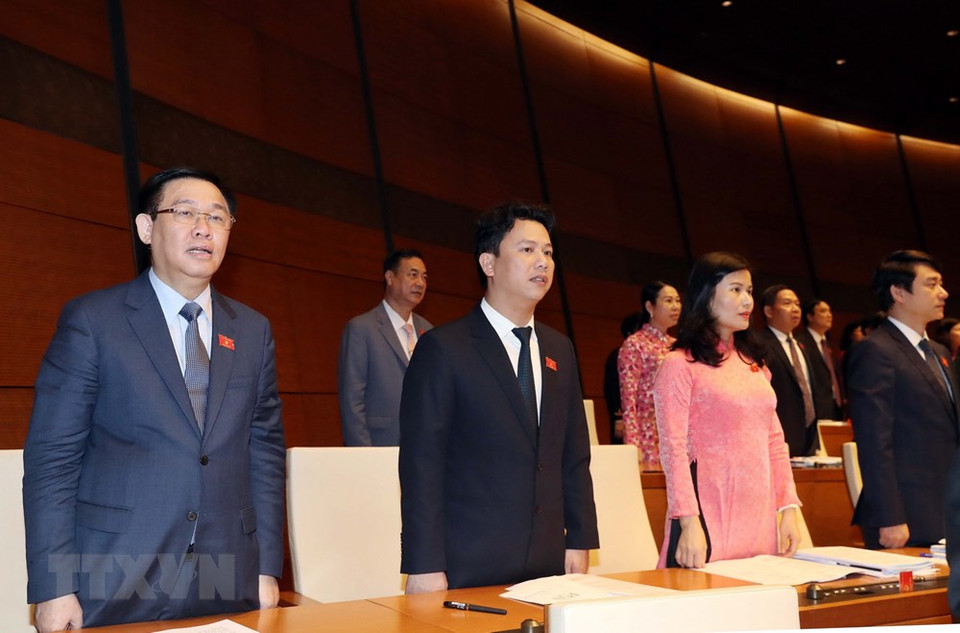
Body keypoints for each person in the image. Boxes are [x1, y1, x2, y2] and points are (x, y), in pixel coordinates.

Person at [23, 167, 286, 630]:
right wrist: (54, 587)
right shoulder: (93, 320)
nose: (204, 227)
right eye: (185, 212)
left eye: (218, 218)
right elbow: (53, 461)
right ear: (147, 228)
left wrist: (266, 567)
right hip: (116, 572)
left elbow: (263, 454)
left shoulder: (253, 330)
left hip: (226, 571)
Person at [399, 202, 599, 592]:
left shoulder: (560, 349)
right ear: (489, 263)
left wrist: (579, 536)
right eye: (527, 250)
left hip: (548, 562)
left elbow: (573, 453)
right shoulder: (444, 348)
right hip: (468, 563)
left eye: (548, 252)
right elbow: (421, 465)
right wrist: (424, 564)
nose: (542, 261)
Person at [653, 252, 801, 569]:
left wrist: (788, 507)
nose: (746, 300)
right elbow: (673, 448)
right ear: (707, 296)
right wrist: (689, 522)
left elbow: (775, 440)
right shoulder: (679, 365)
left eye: (748, 290)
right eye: (735, 290)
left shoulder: (755, 365)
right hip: (709, 515)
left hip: (760, 519)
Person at [849, 250, 959, 549]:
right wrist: (889, 516)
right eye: (932, 284)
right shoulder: (876, 351)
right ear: (898, 292)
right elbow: (874, 441)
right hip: (907, 515)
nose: (943, 293)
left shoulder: (939, 352)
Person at [338, 249, 432, 446]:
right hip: (381, 445)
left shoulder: (429, 331)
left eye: (424, 277)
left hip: (424, 447)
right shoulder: (362, 328)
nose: (420, 283)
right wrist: (364, 455)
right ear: (390, 277)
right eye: (413, 275)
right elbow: (352, 402)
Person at [617, 282, 681, 465]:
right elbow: (628, 400)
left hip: (676, 434)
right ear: (649, 306)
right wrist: (632, 445)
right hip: (648, 435)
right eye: (668, 301)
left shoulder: (678, 345)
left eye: (677, 301)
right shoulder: (635, 344)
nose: (675, 306)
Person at [756, 285, 822, 456]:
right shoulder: (758, 345)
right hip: (778, 436)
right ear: (769, 311)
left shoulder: (801, 345)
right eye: (787, 303)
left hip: (808, 436)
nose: (795, 309)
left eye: (797, 304)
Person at [796, 299, 843, 421]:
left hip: (836, 407)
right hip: (816, 410)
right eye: (823, 311)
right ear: (810, 317)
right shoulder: (800, 343)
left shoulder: (829, 345)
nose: (829, 315)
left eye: (829, 311)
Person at [603, 312, 644, 445]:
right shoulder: (618, 355)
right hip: (624, 417)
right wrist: (618, 418)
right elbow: (611, 388)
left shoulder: (648, 355)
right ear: (629, 332)